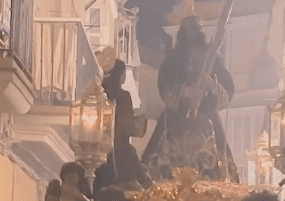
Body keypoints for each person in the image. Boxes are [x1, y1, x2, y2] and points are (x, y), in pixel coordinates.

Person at [142, 14, 237, 181]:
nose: (198, 31)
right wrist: (183, 91)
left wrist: (214, 87)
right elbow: (165, 86)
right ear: (183, 32)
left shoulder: (211, 58)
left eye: (199, 27)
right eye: (193, 28)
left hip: (206, 118)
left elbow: (226, 88)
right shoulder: (173, 59)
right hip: (175, 120)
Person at [102, 60, 153, 190]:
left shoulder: (101, 93)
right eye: (124, 74)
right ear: (120, 75)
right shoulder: (124, 96)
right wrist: (140, 119)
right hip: (120, 147)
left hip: (101, 145)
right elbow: (127, 124)